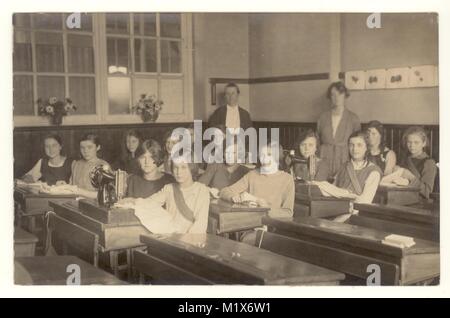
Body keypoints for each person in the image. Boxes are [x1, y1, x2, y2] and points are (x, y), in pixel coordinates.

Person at [121, 153, 210, 234]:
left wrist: (186, 244)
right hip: (171, 238)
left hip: (191, 241)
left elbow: (200, 224)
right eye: (176, 167)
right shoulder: (169, 188)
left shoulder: (201, 190)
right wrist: (132, 200)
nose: (179, 172)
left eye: (183, 167)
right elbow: (149, 202)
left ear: (192, 168)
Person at [220, 141, 295, 218]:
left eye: (269, 155)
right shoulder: (252, 175)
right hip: (250, 221)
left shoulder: (287, 179)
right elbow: (224, 191)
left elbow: (288, 213)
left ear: (277, 157)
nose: (264, 159)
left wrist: (258, 202)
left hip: (272, 225)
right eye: (262, 155)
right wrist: (233, 197)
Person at [317, 81, 361, 178]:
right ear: (330, 97)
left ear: (345, 95)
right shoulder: (322, 117)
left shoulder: (353, 118)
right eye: (333, 95)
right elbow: (317, 140)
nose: (336, 98)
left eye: (340, 94)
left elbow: (358, 144)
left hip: (344, 159)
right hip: (324, 157)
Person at [333, 131, 382, 204]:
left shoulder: (373, 171)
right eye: (351, 145)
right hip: (335, 208)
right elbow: (333, 190)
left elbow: (365, 201)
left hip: (357, 212)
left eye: (359, 145)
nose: (354, 149)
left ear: (366, 147)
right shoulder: (344, 167)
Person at [398, 126, 437, 199]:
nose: (412, 146)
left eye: (416, 142)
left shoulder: (429, 163)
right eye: (409, 142)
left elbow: (427, 192)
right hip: (399, 196)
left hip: (419, 202)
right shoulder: (404, 159)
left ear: (424, 143)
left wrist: (411, 178)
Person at [70, 134, 109, 199]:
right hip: (75, 203)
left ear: (98, 147)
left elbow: (105, 194)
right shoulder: (76, 164)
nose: (85, 151)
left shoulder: (103, 166)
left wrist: (80, 192)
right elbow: (71, 187)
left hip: (94, 205)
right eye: (82, 148)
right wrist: (63, 186)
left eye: (89, 147)